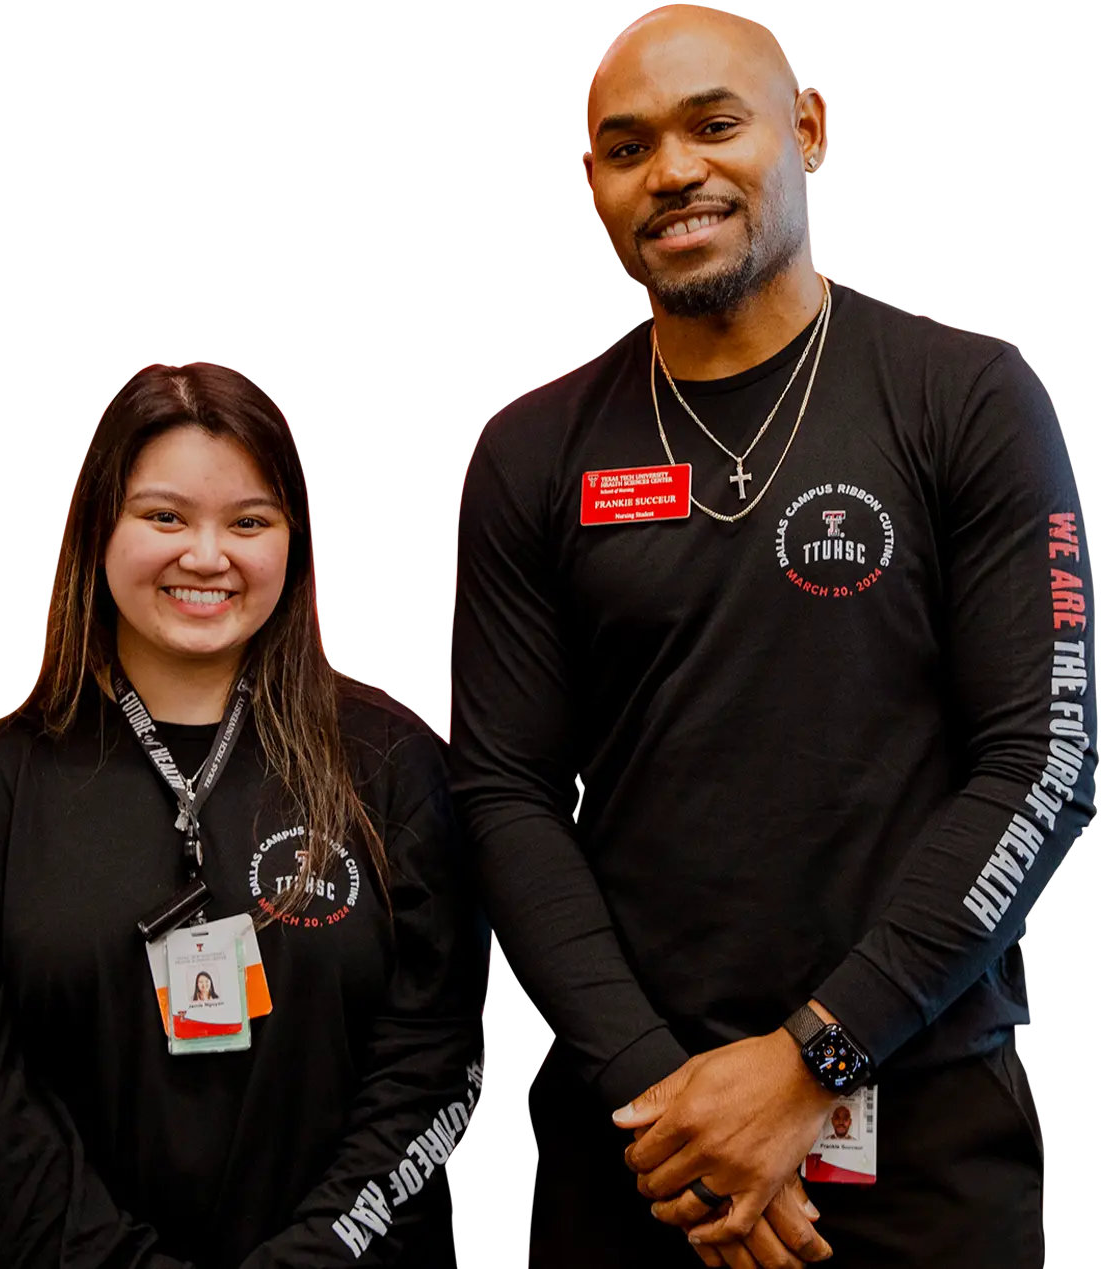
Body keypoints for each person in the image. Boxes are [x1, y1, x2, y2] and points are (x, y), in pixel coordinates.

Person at [448, 5, 1095, 1268]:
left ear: (808, 127)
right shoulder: (530, 451)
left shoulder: (966, 396)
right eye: (625, 146)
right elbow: (501, 792)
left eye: (714, 123)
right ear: (591, 184)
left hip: (919, 1129)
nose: (673, 170)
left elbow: (1048, 755)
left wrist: (813, 1059)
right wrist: (663, 1101)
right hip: (637, 1147)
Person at [0, 361, 487, 1268]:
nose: (207, 556)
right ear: (97, 529)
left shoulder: (389, 763)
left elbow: (438, 1062)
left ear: (294, 543)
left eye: (249, 521)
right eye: (165, 516)